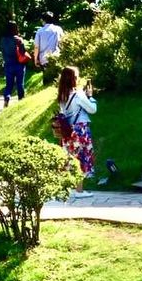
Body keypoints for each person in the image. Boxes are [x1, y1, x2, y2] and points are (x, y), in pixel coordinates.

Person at [57, 65, 97, 197]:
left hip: (68, 131)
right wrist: (90, 97)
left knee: (70, 158)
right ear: (73, 78)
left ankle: (67, 189)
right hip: (80, 130)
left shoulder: (62, 95)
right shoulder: (78, 94)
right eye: (77, 76)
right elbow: (92, 109)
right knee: (81, 158)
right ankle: (79, 191)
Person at [0, 20, 30, 108]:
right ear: (15, 28)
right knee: (20, 84)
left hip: (8, 64)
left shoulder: (3, 40)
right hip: (19, 64)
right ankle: (21, 100)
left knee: (9, 84)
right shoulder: (18, 39)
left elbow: (3, 52)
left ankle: (7, 97)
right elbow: (23, 52)